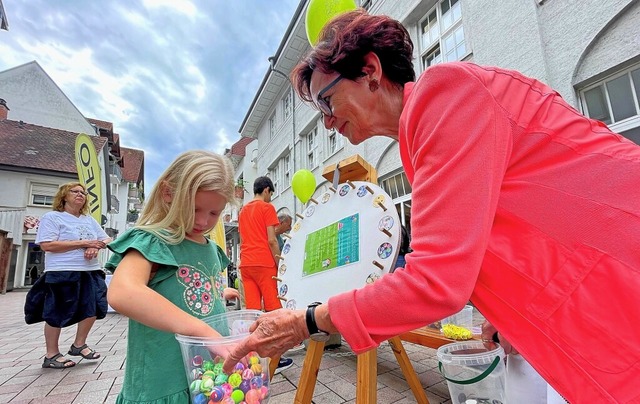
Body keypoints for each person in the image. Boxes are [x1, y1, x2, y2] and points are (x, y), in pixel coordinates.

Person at [223, 9, 640, 402]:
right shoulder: (420, 137)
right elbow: (510, 228)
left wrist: (307, 321)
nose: (327, 122)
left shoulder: (445, 93)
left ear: (370, 71)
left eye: (327, 102)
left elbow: (436, 280)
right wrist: (507, 311)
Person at [105, 150, 241, 403]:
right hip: (163, 383)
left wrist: (217, 293)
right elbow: (122, 292)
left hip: (205, 378)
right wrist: (204, 332)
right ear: (168, 193)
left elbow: (182, 287)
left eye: (214, 213)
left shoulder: (211, 247)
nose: (203, 220)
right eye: (195, 208)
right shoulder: (153, 240)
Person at [24, 182, 112, 369]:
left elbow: (106, 238)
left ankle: (79, 345)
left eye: (83, 192)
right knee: (56, 312)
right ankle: (52, 354)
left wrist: (94, 245)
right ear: (64, 196)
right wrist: (84, 242)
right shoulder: (53, 217)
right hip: (62, 270)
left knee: (95, 307)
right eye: (75, 191)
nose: (81, 194)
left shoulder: (88, 219)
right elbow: (47, 245)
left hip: (90, 270)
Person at [237, 176, 293, 373]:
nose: (271, 198)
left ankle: (254, 358)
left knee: (253, 312)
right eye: (271, 194)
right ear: (267, 190)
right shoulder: (267, 208)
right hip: (263, 263)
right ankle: (275, 359)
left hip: (246, 263)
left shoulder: (242, 211)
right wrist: (279, 264)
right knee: (273, 310)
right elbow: (271, 240)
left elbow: (247, 237)